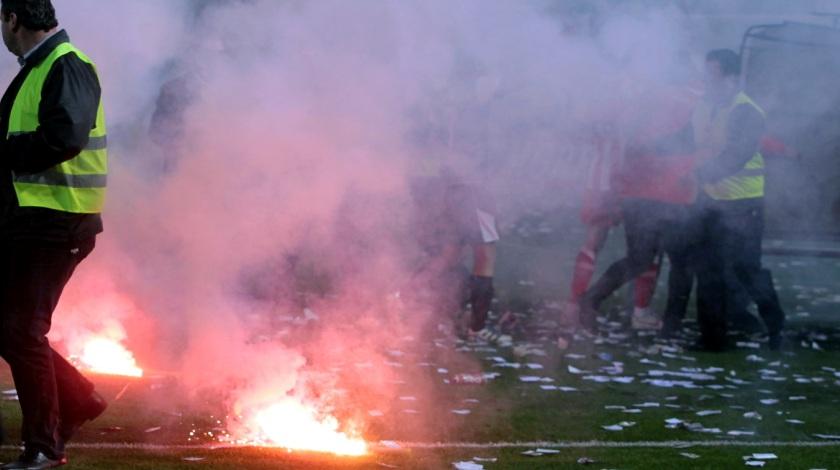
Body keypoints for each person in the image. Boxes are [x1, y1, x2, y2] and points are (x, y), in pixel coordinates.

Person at [0, 1, 108, 467]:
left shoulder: (66, 65)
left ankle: (43, 446)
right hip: (36, 221)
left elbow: (65, 138)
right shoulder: (43, 66)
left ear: (13, 21)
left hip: (58, 222)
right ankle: (79, 400)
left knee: (22, 330)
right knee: (10, 326)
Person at [666, 49, 785, 351]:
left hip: (743, 205)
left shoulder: (747, 111)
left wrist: (701, 174)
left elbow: (738, 154)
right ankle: (713, 339)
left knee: (747, 270)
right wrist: (647, 145)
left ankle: (775, 325)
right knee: (709, 270)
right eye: (707, 75)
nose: (708, 82)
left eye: (715, 76)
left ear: (733, 79)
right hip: (709, 201)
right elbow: (685, 137)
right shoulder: (703, 106)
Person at [576, 86, 697, 333]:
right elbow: (678, 162)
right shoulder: (677, 119)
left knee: (641, 259)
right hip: (663, 200)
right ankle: (669, 323)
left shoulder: (644, 121)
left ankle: (592, 300)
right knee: (674, 262)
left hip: (644, 199)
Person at [561, 122, 660, 331]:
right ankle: (638, 311)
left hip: (607, 181)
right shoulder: (637, 101)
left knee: (637, 245)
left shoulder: (615, 99)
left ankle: (575, 305)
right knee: (646, 244)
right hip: (622, 182)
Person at [409, 165, 505, 345]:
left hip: (474, 201)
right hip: (456, 193)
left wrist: (478, 321)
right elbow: (449, 253)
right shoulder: (439, 198)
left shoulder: (478, 206)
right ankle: (454, 313)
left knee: (481, 262)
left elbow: (481, 261)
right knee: (454, 259)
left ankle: (474, 322)